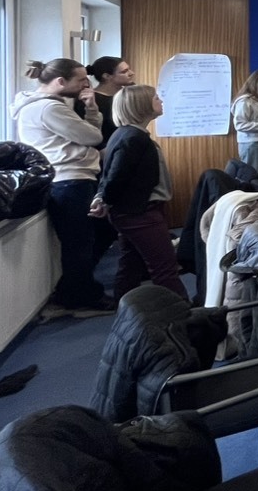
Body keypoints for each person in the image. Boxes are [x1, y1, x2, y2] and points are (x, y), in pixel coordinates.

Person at [11, 58, 113, 317]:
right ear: (60, 81)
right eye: (81, 80)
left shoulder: (44, 105)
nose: (86, 85)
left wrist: (91, 109)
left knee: (86, 239)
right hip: (70, 180)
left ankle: (73, 291)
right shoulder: (49, 108)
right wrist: (92, 114)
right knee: (79, 243)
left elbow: (89, 135)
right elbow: (93, 137)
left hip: (70, 179)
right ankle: (80, 297)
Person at [91, 84, 187, 299]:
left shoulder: (125, 134)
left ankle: (124, 306)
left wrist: (103, 198)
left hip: (132, 212)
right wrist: (104, 198)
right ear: (142, 105)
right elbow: (116, 176)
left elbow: (111, 174)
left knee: (131, 264)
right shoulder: (134, 138)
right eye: (156, 98)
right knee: (165, 267)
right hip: (140, 213)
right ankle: (184, 312)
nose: (161, 101)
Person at [77, 56, 135, 147]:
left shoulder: (127, 96)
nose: (131, 73)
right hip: (105, 150)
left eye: (129, 69)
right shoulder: (89, 100)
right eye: (124, 71)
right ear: (107, 76)